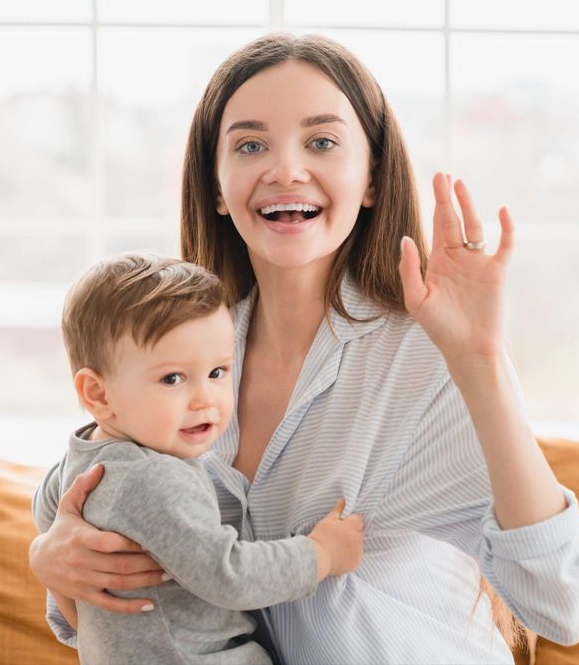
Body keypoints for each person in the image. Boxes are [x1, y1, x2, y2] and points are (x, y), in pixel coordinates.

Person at [30, 32, 579, 665]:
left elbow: (563, 607)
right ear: (218, 188)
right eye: (250, 145)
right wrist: (52, 559)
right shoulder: (179, 362)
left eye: (322, 142)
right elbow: (111, 579)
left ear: (372, 180)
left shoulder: (427, 357)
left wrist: (480, 363)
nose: (285, 169)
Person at [32, 252, 365, 664]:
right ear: (98, 394)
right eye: (173, 378)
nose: (205, 398)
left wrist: (54, 568)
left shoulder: (80, 459)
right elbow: (229, 574)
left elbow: (48, 514)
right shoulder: (152, 479)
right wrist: (322, 554)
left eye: (218, 372)